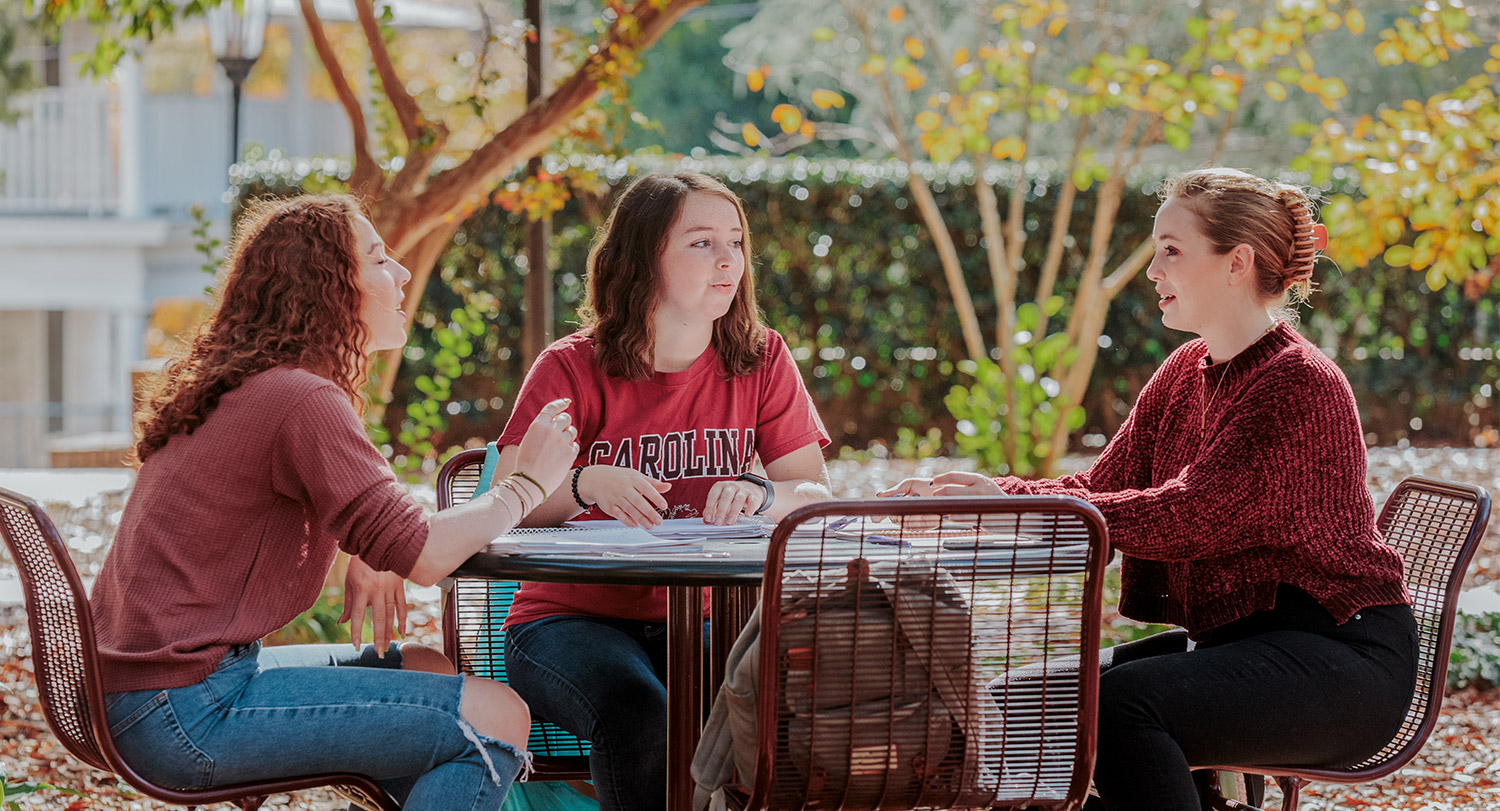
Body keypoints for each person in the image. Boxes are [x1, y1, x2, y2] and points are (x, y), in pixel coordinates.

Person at [882, 167, 1417, 811]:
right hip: (1241, 646)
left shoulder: (1297, 383)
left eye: (1171, 251)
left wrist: (1008, 504)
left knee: (1119, 710)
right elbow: (1100, 487)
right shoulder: (1186, 370)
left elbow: (1190, 515)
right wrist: (989, 498)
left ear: (1237, 262)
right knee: (999, 709)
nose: (1153, 270)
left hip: (1341, 660)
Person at [91, 194, 581, 809]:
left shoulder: (253, 386)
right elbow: (426, 556)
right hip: (185, 711)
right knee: (498, 717)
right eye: (378, 259)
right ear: (327, 287)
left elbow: (381, 522)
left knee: (426, 667)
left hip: (145, 694)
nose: (402, 272)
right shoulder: (299, 399)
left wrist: (375, 546)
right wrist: (528, 484)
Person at [489, 171, 832, 811]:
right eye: (702, 243)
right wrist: (586, 483)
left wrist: (762, 493)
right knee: (640, 712)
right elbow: (507, 501)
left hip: (713, 616)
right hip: (567, 621)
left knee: (790, 699)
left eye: (735, 241)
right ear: (642, 259)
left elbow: (812, 496)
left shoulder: (762, 357)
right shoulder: (569, 366)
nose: (728, 259)